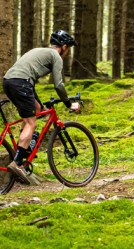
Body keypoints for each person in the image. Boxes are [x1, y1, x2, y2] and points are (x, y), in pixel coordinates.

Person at [2, 30, 80, 184]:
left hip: (9, 81)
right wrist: (69, 103)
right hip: (22, 83)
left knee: (36, 109)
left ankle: (24, 148)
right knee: (32, 123)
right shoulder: (56, 56)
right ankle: (17, 162)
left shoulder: (39, 51)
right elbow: (58, 84)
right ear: (64, 46)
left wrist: (38, 101)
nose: (67, 52)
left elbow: (29, 78)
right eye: (68, 48)